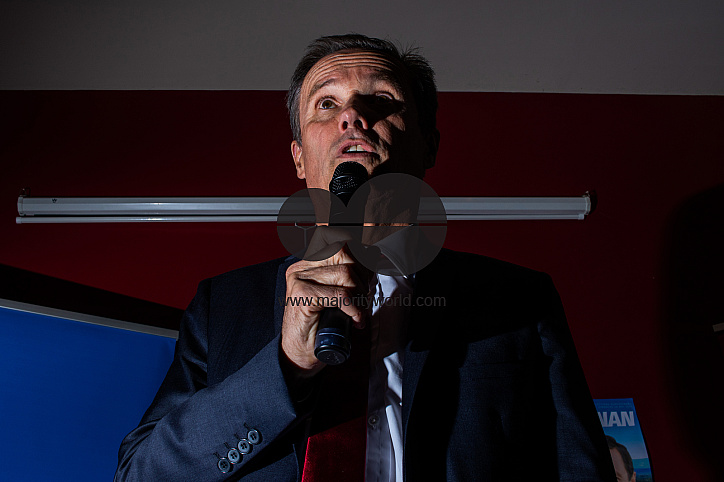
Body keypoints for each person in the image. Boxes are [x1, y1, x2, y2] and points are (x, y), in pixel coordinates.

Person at [115, 34, 615, 481]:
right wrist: (285, 364)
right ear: (298, 157)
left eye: (381, 100)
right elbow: (141, 475)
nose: (352, 115)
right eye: (326, 103)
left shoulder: (521, 300)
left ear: (428, 144)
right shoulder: (220, 307)